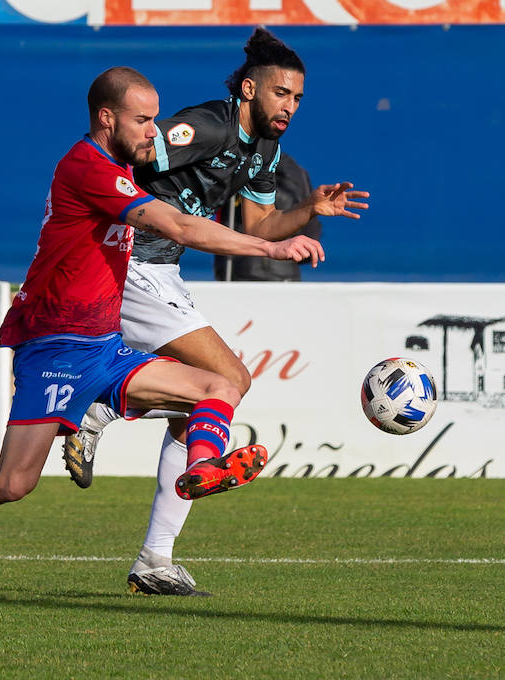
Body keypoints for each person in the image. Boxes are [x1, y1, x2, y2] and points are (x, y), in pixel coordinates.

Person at [0, 66, 324, 602]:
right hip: (55, 345)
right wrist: (266, 249)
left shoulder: (124, 168)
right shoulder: (87, 167)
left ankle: (201, 467)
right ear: (107, 118)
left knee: (219, 387)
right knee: (13, 483)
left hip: (104, 347)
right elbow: (177, 226)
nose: (155, 130)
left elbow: (186, 216)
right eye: (143, 120)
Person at [59, 28, 368, 596]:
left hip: (162, 270)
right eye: (280, 94)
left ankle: (154, 558)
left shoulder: (263, 150)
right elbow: (129, 153)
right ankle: (100, 406)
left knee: (195, 407)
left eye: (298, 98)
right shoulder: (210, 125)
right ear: (249, 89)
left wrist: (308, 209)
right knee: (228, 380)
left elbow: (256, 228)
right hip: (132, 264)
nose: (290, 107)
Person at [214, 152, 321, 281]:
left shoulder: (235, 165)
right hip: (284, 273)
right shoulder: (296, 171)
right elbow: (311, 234)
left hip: (242, 268)